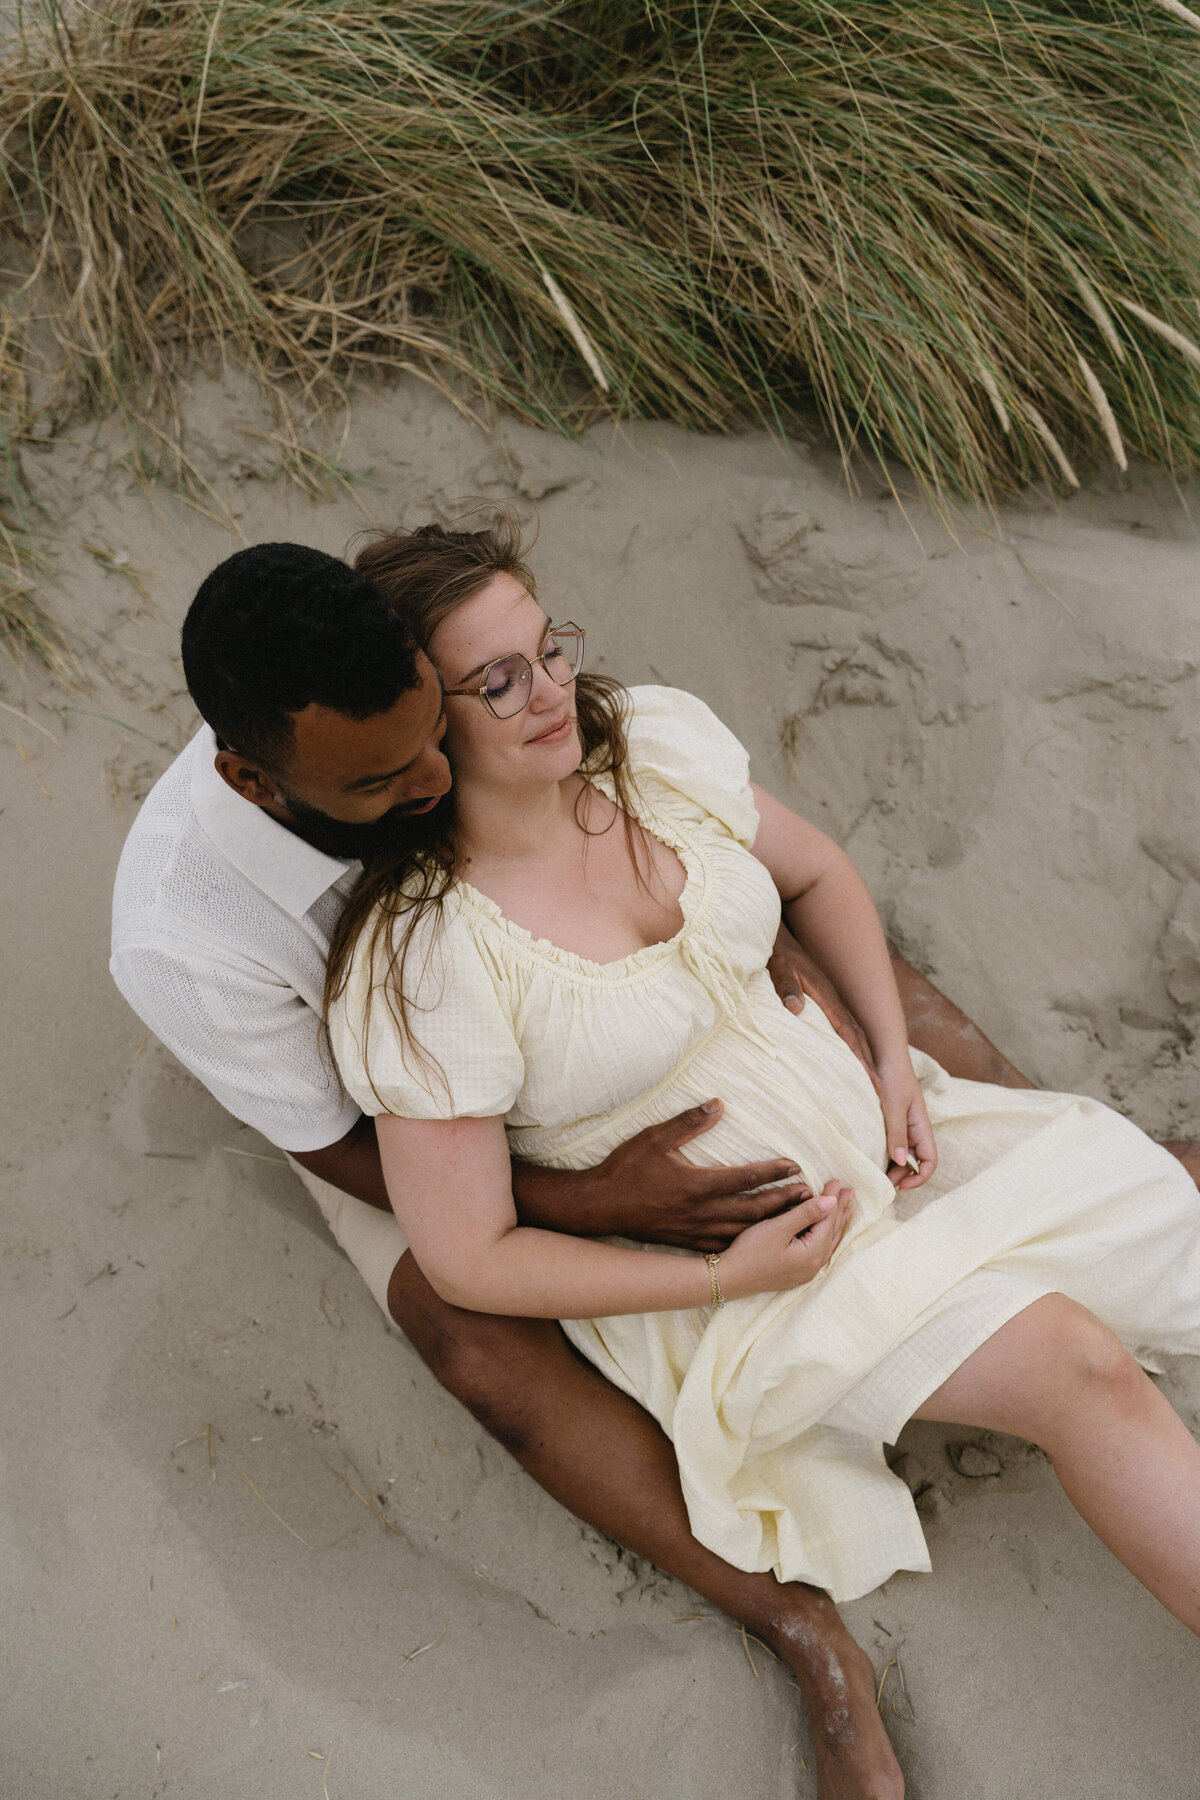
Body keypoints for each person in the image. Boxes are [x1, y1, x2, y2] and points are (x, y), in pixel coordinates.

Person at [317, 519, 1200, 1748]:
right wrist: (735, 1270)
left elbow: (819, 874)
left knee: (1161, 1225)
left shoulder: (656, 751)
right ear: (422, 720)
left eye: (549, 648)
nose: (551, 693)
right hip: (745, 1295)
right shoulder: (428, 963)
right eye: (499, 680)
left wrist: (895, 1059)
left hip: (894, 1151)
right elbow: (469, 1257)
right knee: (1075, 1362)